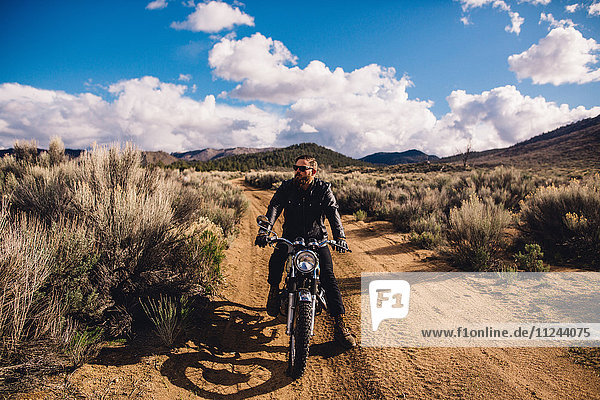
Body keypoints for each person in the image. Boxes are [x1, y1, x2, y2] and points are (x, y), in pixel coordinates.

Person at [254, 155, 356, 349]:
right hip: (290, 237)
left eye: (302, 169)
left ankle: (340, 325)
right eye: (296, 168)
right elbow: (274, 207)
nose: (297, 172)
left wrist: (340, 237)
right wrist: (264, 231)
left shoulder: (324, 189)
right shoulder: (286, 187)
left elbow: (333, 213)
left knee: (328, 276)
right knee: (276, 260)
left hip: (317, 239)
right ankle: (274, 290)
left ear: (313, 172)